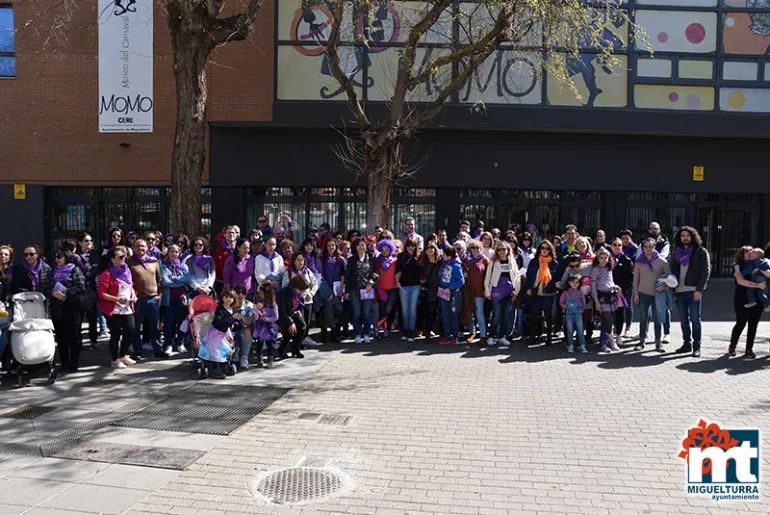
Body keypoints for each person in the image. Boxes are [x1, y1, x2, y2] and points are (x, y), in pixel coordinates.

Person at [669, 226, 710, 357]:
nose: (685, 238)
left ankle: (696, 346)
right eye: (682, 236)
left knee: (695, 319)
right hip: (679, 291)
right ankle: (686, 344)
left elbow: (705, 271)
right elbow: (672, 271)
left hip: (693, 291)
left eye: (687, 235)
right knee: (683, 320)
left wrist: (699, 289)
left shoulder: (700, 251)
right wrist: (673, 290)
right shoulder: (676, 252)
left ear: (692, 236)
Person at [98, 246, 137, 369]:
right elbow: (102, 294)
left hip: (127, 307)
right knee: (115, 334)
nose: (123, 259)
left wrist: (134, 295)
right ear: (112, 259)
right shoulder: (106, 274)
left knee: (130, 330)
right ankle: (114, 359)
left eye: (124, 256)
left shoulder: (127, 270)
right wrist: (116, 299)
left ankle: (123, 354)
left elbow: (131, 286)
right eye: (120, 257)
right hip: (113, 308)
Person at [51, 248, 86, 372]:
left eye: (59, 257)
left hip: (72, 307)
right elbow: (48, 285)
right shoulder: (53, 271)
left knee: (74, 336)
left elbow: (81, 287)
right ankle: (64, 362)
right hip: (57, 309)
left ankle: (73, 363)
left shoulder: (75, 269)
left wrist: (65, 293)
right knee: (61, 337)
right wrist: (53, 294)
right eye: (55, 257)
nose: (57, 260)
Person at [126, 239, 163, 359]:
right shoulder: (129, 262)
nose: (140, 248)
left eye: (142, 246)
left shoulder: (153, 261)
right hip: (138, 300)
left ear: (147, 247)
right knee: (136, 327)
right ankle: (138, 351)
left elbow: (159, 279)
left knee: (155, 327)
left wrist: (160, 295)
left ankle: (158, 349)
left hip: (153, 298)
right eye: (137, 246)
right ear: (133, 247)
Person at [633, 238, 670, 352]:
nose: (648, 249)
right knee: (643, 318)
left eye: (651, 247)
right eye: (646, 247)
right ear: (643, 248)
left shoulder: (662, 261)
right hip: (643, 293)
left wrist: (665, 288)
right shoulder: (639, 261)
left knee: (657, 319)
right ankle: (642, 341)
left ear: (655, 248)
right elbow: (636, 279)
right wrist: (636, 294)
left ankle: (658, 343)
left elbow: (669, 278)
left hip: (658, 295)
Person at [199, 288, 245, 379]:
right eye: (226, 297)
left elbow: (236, 324)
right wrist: (231, 320)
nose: (228, 299)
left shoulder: (234, 309)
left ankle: (225, 364)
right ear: (222, 298)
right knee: (217, 347)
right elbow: (218, 321)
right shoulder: (219, 308)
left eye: (231, 297)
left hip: (226, 333)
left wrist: (236, 322)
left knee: (228, 348)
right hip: (216, 333)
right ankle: (216, 368)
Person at [729, 246, 766, 359]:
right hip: (741, 298)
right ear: (742, 255)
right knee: (741, 322)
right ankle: (732, 346)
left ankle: (749, 349)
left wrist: (760, 269)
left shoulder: (760, 264)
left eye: (752, 253)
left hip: (757, 299)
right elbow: (741, 281)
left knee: (753, 324)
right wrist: (757, 285)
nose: (750, 255)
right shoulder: (737, 267)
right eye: (747, 253)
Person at [484, 241, 520, 346]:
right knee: (497, 315)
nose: (502, 252)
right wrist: (487, 292)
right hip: (496, 291)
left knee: (506, 316)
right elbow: (488, 277)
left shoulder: (512, 261)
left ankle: (502, 336)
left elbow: (517, 277)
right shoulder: (493, 261)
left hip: (509, 292)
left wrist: (516, 291)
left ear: (508, 250)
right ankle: (491, 336)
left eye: (504, 249)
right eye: (499, 249)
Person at [525, 240, 559, 345]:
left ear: (550, 250)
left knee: (548, 315)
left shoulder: (554, 263)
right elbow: (529, 276)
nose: (544, 250)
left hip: (547, 292)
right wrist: (528, 288)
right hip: (536, 291)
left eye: (547, 248)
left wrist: (550, 287)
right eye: (542, 248)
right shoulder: (534, 261)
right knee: (534, 314)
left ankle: (549, 336)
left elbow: (556, 278)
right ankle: (533, 336)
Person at [281, 252, 319, 346]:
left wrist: (311, 293)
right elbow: (284, 287)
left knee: (307, 322)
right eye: (298, 259)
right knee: (300, 324)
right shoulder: (289, 273)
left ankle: (303, 339)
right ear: (293, 261)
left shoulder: (308, 272)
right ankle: (295, 342)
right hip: (295, 303)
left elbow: (315, 283)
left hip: (307, 300)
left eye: (302, 259)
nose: (300, 261)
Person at [345, 238, 377, 344]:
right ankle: (357, 334)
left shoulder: (371, 259)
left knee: (366, 313)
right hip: (355, 290)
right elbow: (348, 276)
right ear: (356, 247)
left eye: (363, 245)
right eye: (359, 245)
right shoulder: (351, 260)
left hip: (367, 290)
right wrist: (347, 291)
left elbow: (375, 275)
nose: (361, 247)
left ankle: (367, 334)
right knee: (357, 313)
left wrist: (370, 284)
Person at [75, 233, 105, 345]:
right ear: (80, 243)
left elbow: (96, 269)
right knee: (79, 316)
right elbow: (81, 271)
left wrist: (90, 271)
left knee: (93, 315)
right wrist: (89, 271)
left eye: (90, 241)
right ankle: (78, 341)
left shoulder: (94, 255)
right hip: (80, 289)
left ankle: (93, 340)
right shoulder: (76, 256)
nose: (89, 243)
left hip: (92, 288)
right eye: (86, 241)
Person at [161, 245, 190, 355]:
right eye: (172, 251)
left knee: (181, 322)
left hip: (182, 299)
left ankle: (180, 343)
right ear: (168, 253)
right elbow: (165, 282)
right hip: (169, 299)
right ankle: (168, 344)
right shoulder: (164, 266)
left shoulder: (183, 266)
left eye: (177, 252)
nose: (174, 254)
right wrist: (179, 281)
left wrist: (174, 278)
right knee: (168, 323)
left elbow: (187, 279)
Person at [591, 248, 620, 353]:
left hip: (611, 297)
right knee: (607, 320)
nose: (603, 260)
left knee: (608, 321)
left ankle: (603, 343)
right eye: (601, 258)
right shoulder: (595, 270)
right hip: (602, 298)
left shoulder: (609, 269)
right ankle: (612, 341)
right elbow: (593, 287)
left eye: (605, 258)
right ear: (597, 259)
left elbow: (610, 282)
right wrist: (596, 302)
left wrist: (616, 288)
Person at [277, 274, 311, 359]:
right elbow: (282, 311)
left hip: (294, 312)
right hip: (284, 315)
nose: (301, 292)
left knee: (302, 327)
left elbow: (299, 303)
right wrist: (291, 322)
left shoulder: (299, 292)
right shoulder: (284, 293)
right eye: (300, 290)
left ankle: (295, 348)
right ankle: (282, 349)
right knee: (290, 330)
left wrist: (298, 310)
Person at [395, 239, 422, 342]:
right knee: (405, 309)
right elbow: (397, 271)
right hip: (403, 286)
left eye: (413, 246)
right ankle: (405, 330)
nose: (410, 248)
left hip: (415, 286)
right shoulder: (401, 257)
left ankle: (411, 331)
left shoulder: (419, 257)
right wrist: (397, 281)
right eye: (408, 246)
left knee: (412, 309)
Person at [609, 237, 634, 346]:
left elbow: (630, 278)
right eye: (614, 244)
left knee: (619, 314)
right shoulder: (606, 259)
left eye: (619, 245)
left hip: (621, 293)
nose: (617, 247)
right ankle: (608, 337)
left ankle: (618, 336)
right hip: (608, 292)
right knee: (608, 315)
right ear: (611, 246)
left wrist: (622, 290)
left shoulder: (627, 260)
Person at [437, 246, 465, 344]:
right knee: (445, 315)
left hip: (453, 293)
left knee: (453, 314)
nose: (442, 256)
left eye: (444, 255)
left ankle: (455, 336)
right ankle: (447, 336)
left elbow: (461, 280)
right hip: (444, 292)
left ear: (449, 256)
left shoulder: (456, 265)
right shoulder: (444, 263)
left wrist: (450, 288)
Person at [320, 239, 345, 343]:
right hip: (326, 289)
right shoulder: (322, 259)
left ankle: (336, 335)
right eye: (329, 245)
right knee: (325, 311)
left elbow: (343, 274)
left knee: (337, 311)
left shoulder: (340, 259)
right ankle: (324, 335)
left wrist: (342, 288)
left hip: (337, 288)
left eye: (333, 245)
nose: (331, 247)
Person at [464, 239, 490, 344]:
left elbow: (488, 275)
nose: (475, 250)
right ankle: (472, 333)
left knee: (479, 313)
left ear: (481, 249)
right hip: (468, 291)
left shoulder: (484, 260)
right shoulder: (466, 260)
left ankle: (483, 335)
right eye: (473, 248)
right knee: (469, 312)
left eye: (477, 248)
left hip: (480, 291)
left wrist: (487, 290)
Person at [374, 240, 398, 339]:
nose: (384, 251)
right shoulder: (377, 261)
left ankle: (378, 327)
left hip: (392, 288)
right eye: (382, 249)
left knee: (388, 310)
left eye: (387, 249)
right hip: (381, 289)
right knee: (382, 309)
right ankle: (384, 330)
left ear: (390, 250)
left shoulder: (395, 260)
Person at [418, 242, 441, 339]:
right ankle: (425, 330)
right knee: (425, 310)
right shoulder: (423, 262)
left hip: (437, 289)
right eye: (427, 248)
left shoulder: (440, 261)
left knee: (434, 310)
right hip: (426, 289)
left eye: (431, 248)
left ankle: (432, 329)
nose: (429, 250)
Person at [252, 283, 278, 368]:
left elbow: (276, 317)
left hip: (268, 327)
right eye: (260, 293)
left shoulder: (273, 305)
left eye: (262, 293)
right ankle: (260, 360)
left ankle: (270, 360)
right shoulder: (260, 303)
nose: (260, 295)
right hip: (259, 326)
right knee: (259, 343)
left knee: (269, 343)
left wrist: (267, 319)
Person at [560, 274, 587, 353]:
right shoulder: (566, 292)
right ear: (569, 283)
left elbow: (583, 302)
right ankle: (570, 345)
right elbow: (561, 302)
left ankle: (582, 345)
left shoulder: (580, 292)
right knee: (569, 330)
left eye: (577, 282)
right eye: (573, 282)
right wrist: (566, 307)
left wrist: (581, 308)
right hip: (569, 314)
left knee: (580, 330)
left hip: (578, 313)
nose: (575, 284)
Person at [233, 284, 255, 369]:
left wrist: (241, 317)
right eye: (238, 293)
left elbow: (249, 322)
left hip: (244, 328)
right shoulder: (230, 303)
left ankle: (244, 357)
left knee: (247, 331)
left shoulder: (250, 306)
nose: (240, 295)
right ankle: (233, 357)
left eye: (243, 293)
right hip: (231, 329)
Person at [213, 225, 239, 293]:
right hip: (222, 282)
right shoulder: (219, 249)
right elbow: (218, 266)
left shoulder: (240, 248)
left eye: (233, 232)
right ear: (224, 234)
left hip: (238, 282)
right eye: (229, 232)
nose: (231, 234)